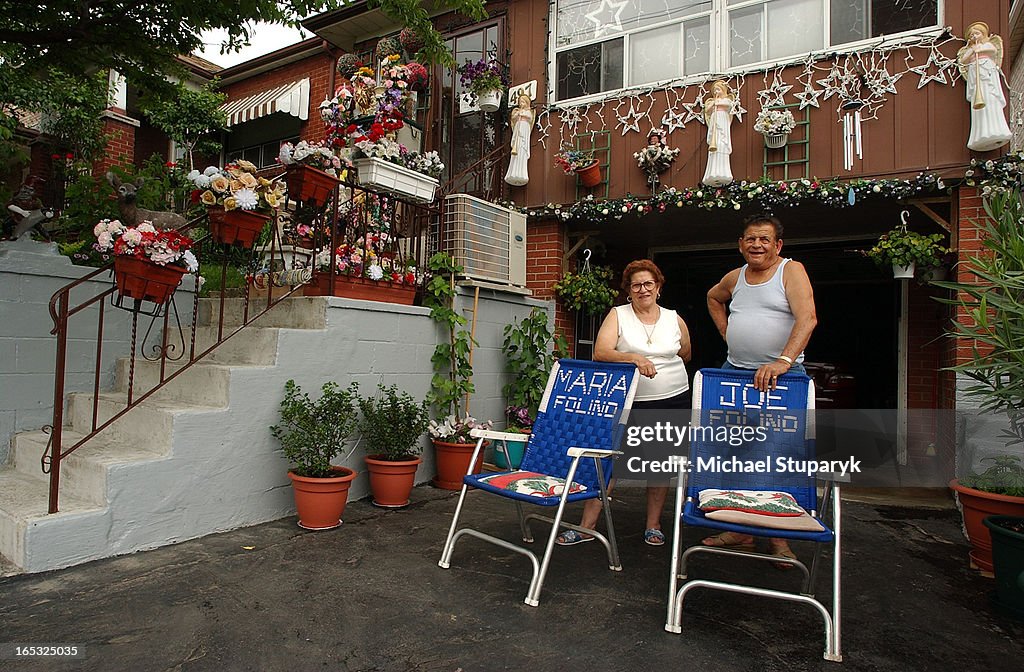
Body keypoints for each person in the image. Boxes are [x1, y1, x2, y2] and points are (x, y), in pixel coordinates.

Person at [705, 214, 817, 568]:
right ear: (741, 244)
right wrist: (728, 333)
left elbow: (808, 318)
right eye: (750, 239)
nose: (756, 245)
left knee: (774, 455)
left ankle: (778, 536)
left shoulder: (791, 270)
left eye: (764, 239)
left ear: (777, 245)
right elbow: (713, 297)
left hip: (780, 380)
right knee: (732, 451)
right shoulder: (734, 277)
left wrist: (784, 360)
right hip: (735, 376)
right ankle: (741, 530)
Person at [556, 259, 692, 547]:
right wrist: (634, 358)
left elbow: (686, 354)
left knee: (660, 464)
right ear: (629, 290)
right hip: (628, 400)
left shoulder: (674, 318)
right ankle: (586, 526)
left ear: (658, 287)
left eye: (648, 283)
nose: (643, 289)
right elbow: (601, 352)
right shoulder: (619, 314)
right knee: (608, 460)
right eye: (636, 285)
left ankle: (653, 525)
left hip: (672, 398)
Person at [957, 21, 1012, 152]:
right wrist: (972, 51)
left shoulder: (987, 45)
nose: (974, 36)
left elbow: (993, 49)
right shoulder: (971, 49)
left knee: (991, 102)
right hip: (977, 81)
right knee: (978, 109)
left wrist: (979, 49)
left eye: (977, 33)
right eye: (972, 35)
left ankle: (997, 129)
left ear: (983, 34)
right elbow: (963, 60)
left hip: (987, 80)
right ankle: (980, 134)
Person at [702, 80, 735, 187]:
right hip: (714, 121)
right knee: (714, 145)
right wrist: (713, 104)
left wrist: (717, 102)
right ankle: (712, 173)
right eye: (715, 90)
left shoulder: (726, 100)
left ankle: (724, 172)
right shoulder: (712, 101)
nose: (716, 91)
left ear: (723, 90)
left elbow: (728, 105)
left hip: (722, 120)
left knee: (722, 144)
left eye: (718, 89)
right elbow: (707, 110)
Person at [504, 92, 535, 187]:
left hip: (524, 130)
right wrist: (518, 114)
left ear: (527, 103)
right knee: (515, 153)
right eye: (520, 102)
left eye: (523, 102)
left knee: (522, 151)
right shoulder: (517, 111)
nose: (521, 104)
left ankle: (522, 173)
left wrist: (523, 114)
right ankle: (512, 173)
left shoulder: (529, 111)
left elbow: (530, 117)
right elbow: (513, 118)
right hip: (517, 131)